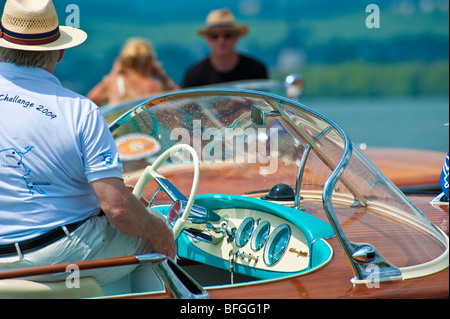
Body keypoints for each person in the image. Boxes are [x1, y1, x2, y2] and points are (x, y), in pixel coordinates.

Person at [0, 0, 176, 285]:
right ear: (59, 52)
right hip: (51, 257)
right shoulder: (79, 110)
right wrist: (158, 230)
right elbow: (118, 210)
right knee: (152, 235)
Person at [182, 8, 268, 88]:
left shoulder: (257, 70)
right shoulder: (193, 76)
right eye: (214, 36)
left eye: (227, 35)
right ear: (207, 39)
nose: (221, 41)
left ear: (236, 37)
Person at [88, 37, 179, 107]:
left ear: (124, 61)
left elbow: (89, 103)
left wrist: (113, 73)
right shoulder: (157, 85)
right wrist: (163, 76)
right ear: (150, 62)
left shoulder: (115, 83)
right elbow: (184, 101)